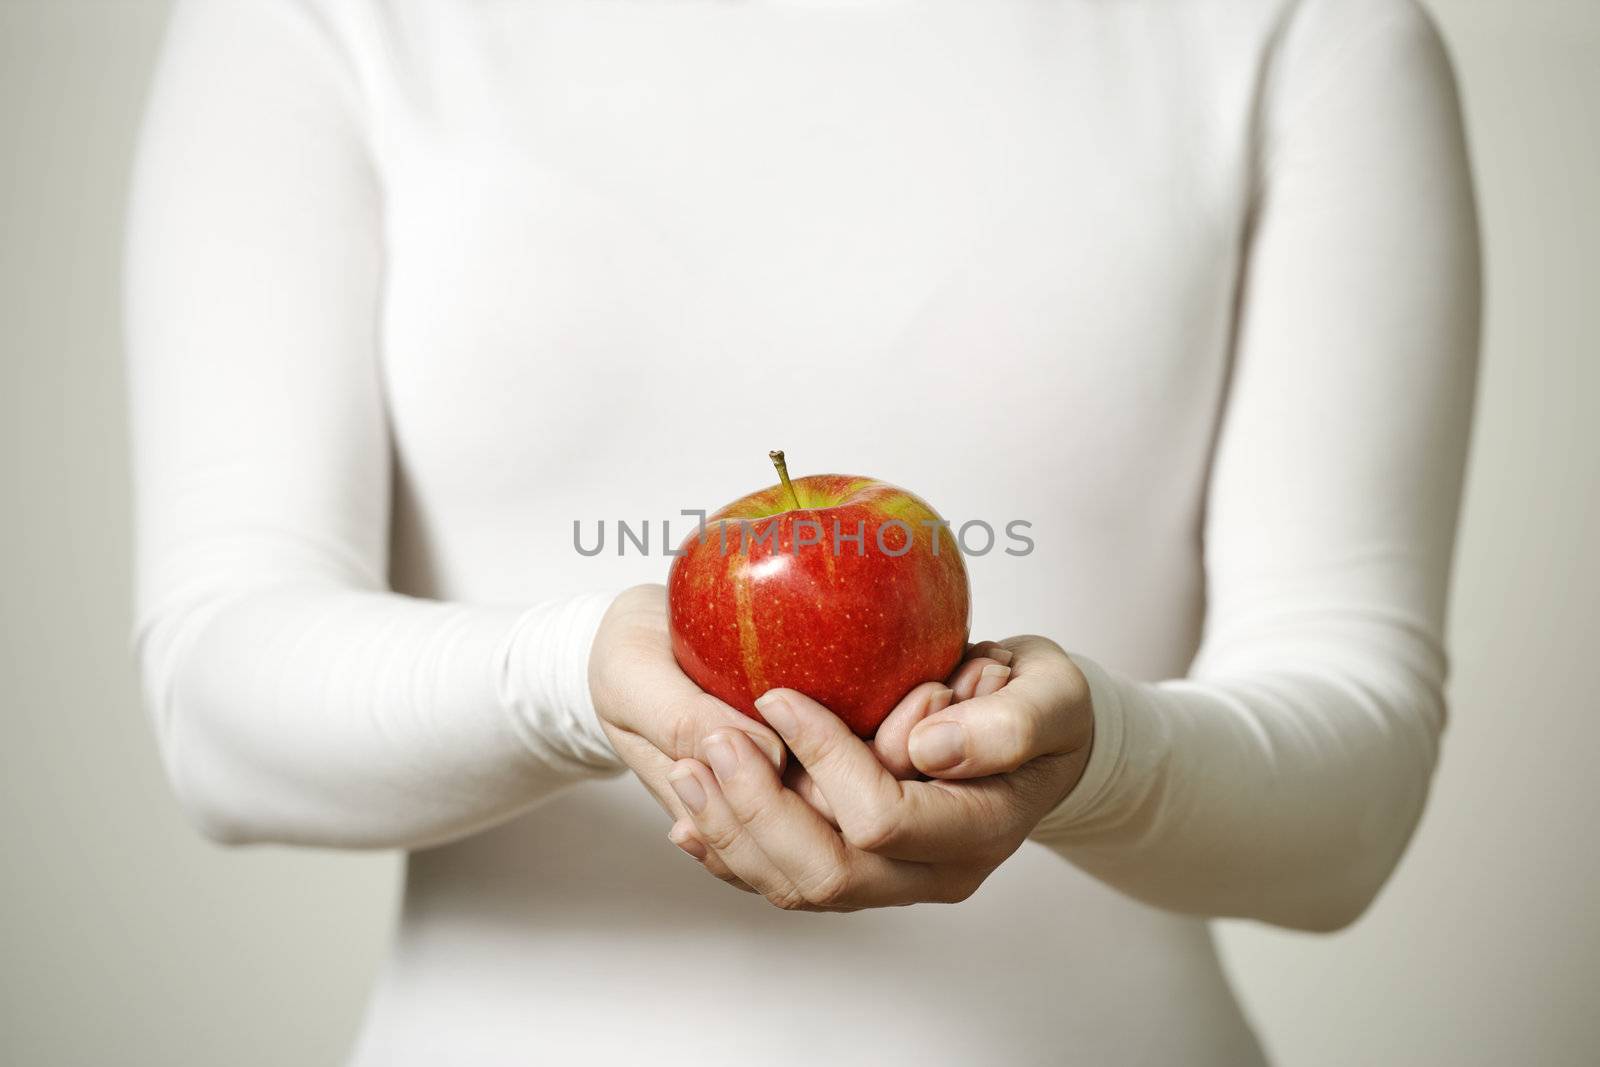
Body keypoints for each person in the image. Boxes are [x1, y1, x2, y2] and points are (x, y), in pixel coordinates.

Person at [125, 0, 1479, 1063]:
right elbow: (217, 703)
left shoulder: (1299, 26)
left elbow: (1349, 810)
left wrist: (1099, 759)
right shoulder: (324, 14)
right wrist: (565, 684)